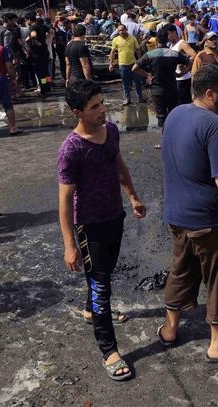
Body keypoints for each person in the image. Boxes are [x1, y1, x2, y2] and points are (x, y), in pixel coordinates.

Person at [156, 65, 218, 364]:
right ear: (210, 93)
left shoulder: (176, 114)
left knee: (182, 271)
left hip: (178, 216)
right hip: (209, 221)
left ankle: (170, 328)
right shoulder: (216, 127)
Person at [57, 80, 145, 381]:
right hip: (89, 226)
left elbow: (119, 164)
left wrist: (132, 196)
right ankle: (109, 351)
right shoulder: (71, 149)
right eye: (94, 107)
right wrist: (70, 244)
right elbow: (65, 201)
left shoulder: (111, 132)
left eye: (102, 103)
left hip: (115, 216)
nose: (102, 110)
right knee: (101, 284)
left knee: (104, 273)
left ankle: (90, 311)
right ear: (77, 112)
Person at [133, 25, 191, 129]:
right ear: (167, 41)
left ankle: (165, 141)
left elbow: (134, 68)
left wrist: (147, 75)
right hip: (172, 89)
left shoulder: (150, 54)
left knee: (161, 117)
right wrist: (181, 73)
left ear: (156, 41)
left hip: (157, 91)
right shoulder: (174, 54)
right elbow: (190, 61)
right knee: (174, 116)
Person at [109, 24, 144, 105]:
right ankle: (127, 99)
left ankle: (140, 98)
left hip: (133, 64)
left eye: (122, 30)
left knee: (138, 81)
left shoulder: (132, 38)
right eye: (119, 31)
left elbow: (138, 50)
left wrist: (140, 62)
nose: (121, 32)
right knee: (125, 83)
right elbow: (112, 52)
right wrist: (111, 64)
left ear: (126, 29)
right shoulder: (116, 40)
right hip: (122, 65)